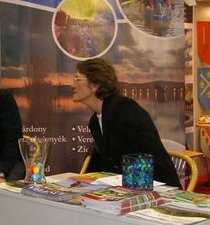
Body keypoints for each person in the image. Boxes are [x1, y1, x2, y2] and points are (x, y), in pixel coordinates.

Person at [72, 58, 180, 187]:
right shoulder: (95, 121)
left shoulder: (125, 110)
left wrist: (126, 193)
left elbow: (143, 154)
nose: (73, 84)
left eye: (78, 79)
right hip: (126, 186)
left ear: (95, 85)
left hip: (157, 186)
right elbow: (108, 163)